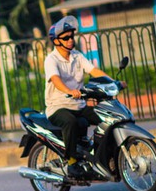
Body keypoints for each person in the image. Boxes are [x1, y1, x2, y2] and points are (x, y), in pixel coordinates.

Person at [44, 16, 112, 178]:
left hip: (78, 105)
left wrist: (112, 82)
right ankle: (72, 162)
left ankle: (101, 156)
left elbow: (93, 71)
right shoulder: (51, 60)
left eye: (71, 36)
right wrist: (69, 90)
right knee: (71, 122)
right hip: (58, 107)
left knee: (107, 118)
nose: (70, 40)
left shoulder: (76, 56)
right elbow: (56, 80)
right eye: (65, 37)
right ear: (56, 41)